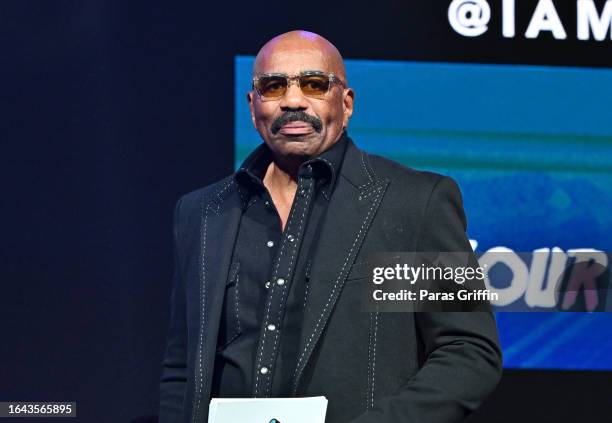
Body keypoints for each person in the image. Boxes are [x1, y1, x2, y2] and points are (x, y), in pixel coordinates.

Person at [159, 30, 502, 423]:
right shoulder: (202, 212)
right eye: (273, 86)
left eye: (314, 84)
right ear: (253, 107)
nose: (292, 100)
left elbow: (468, 351)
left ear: (346, 102)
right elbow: (182, 368)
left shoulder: (414, 204)